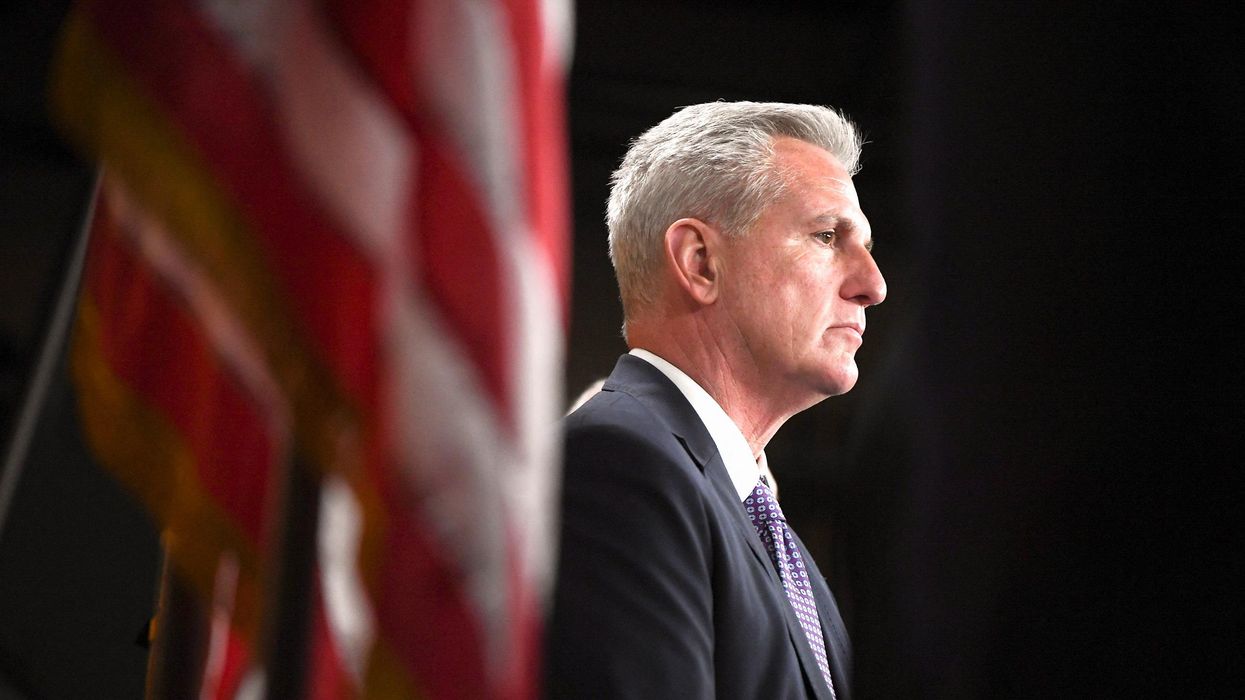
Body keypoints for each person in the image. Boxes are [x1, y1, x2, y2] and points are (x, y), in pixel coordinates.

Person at [546, 101, 886, 699]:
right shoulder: (620, 466)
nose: (873, 285)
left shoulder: (776, 541)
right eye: (828, 236)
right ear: (700, 262)